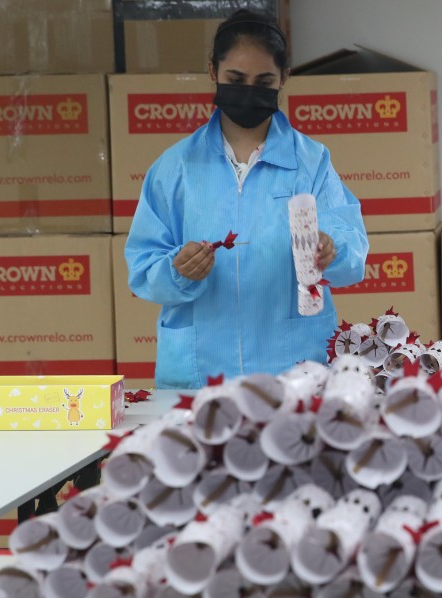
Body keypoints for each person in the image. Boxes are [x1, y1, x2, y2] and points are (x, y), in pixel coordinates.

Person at [125, 9, 368, 389]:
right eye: (236, 80)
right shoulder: (176, 167)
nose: (249, 91)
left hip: (292, 373)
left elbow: (352, 254)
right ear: (212, 71)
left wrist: (331, 250)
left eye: (264, 81)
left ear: (284, 78)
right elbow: (142, 269)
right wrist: (176, 269)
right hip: (199, 373)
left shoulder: (312, 163)